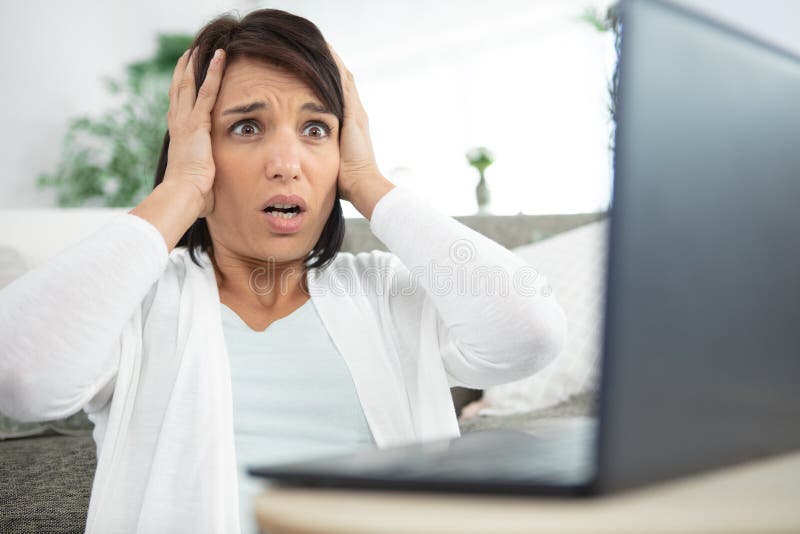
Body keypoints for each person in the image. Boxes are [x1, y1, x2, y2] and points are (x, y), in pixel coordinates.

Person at [0, 8, 567, 534]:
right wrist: (179, 190)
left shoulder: (388, 294)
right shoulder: (139, 303)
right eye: (247, 127)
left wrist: (369, 181)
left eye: (316, 129)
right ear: (197, 151)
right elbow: (21, 377)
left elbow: (532, 334)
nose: (286, 164)